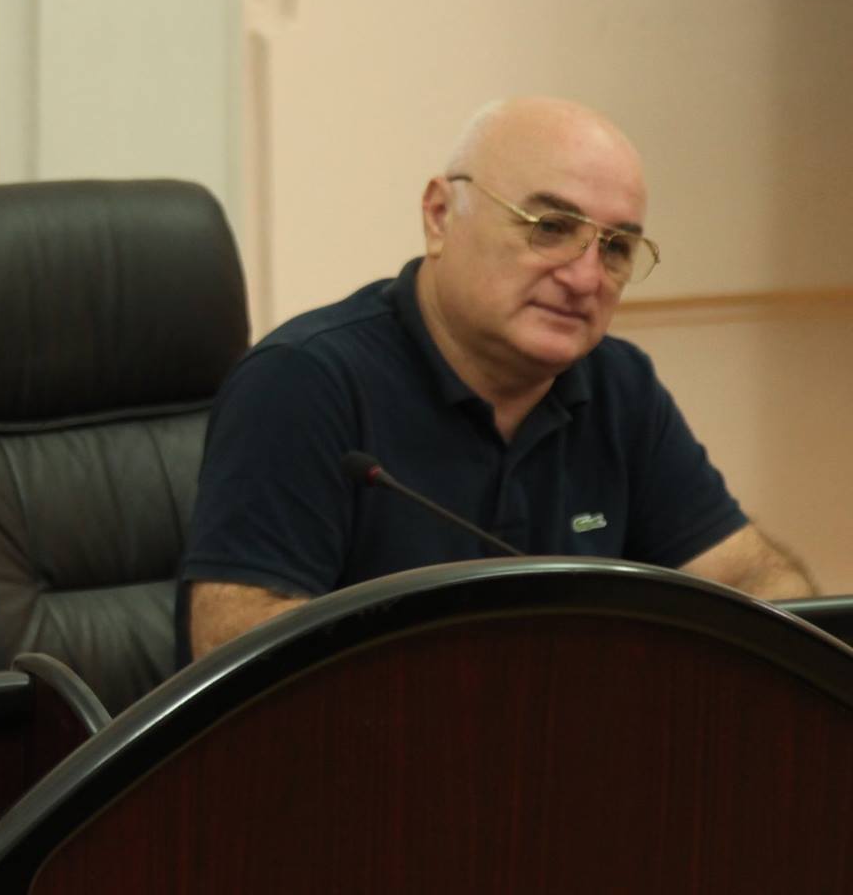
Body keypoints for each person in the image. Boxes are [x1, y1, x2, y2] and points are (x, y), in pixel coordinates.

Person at [183, 96, 813, 659]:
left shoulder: (619, 385)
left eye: (616, 247)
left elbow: (758, 583)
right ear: (440, 216)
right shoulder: (304, 382)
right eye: (550, 228)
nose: (585, 278)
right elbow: (237, 644)